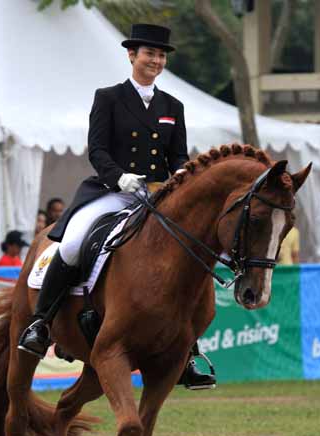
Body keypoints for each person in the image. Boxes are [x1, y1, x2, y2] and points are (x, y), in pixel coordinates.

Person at [17, 23, 214, 390]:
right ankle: (40, 323)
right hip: (112, 190)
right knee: (74, 242)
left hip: (158, 195)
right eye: (149, 54)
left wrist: (185, 176)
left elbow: (178, 156)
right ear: (132, 55)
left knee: (186, 254)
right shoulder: (108, 97)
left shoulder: (174, 106)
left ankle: (187, 352)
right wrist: (119, 176)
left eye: (160, 55)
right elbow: (97, 150)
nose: (155, 60)